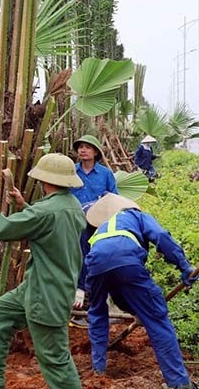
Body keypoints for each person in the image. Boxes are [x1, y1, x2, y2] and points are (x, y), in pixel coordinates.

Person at [0, 153, 86, 389]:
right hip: (41, 286)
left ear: (46, 181)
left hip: (46, 294)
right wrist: (24, 206)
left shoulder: (45, 212)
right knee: (0, 312)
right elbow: (46, 224)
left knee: (55, 358)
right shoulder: (71, 206)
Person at [84, 193, 199, 389]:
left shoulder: (101, 229)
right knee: (157, 320)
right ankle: (179, 384)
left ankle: (99, 369)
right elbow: (161, 236)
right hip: (127, 261)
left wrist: (137, 309)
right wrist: (184, 266)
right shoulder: (137, 216)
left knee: (97, 313)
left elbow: (107, 276)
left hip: (96, 265)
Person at [70, 135, 118, 323]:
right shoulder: (72, 172)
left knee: (96, 257)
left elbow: (113, 197)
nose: (83, 150)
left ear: (96, 152)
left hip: (98, 224)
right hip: (76, 222)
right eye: (80, 147)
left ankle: (94, 296)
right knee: (77, 257)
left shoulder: (105, 174)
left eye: (87, 148)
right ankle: (79, 294)